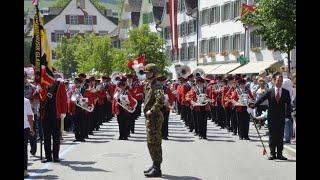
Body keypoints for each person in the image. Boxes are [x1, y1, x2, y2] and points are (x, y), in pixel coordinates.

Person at [249, 73, 291, 160]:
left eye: (281, 81)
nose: (279, 82)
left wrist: (288, 116)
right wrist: (253, 105)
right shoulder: (269, 91)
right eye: (278, 80)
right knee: (272, 135)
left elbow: (289, 105)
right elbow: (261, 99)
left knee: (280, 136)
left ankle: (279, 154)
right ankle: (272, 153)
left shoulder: (286, 92)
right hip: (271, 117)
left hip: (281, 117)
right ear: (274, 80)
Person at [38, 78, 68, 163]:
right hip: (45, 114)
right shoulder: (43, 83)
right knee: (46, 137)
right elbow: (39, 98)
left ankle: (55, 156)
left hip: (56, 113)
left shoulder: (59, 84)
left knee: (56, 136)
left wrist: (63, 111)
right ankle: (48, 157)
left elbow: (64, 98)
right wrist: (38, 90)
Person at [143, 63, 164, 177]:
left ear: (154, 74)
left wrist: (151, 110)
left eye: (149, 73)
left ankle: (157, 168)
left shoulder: (158, 86)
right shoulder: (148, 85)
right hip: (149, 119)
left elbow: (160, 101)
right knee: (150, 143)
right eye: (146, 73)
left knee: (155, 142)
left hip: (155, 118)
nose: (147, 75)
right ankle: (154, 164)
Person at [24, 97, 35, 178]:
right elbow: (30, 116)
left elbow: (30, 116)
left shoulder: (26, 101)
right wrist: (31, 128)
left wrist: (31, 128)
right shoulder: (26, 101)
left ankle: (24, 170)